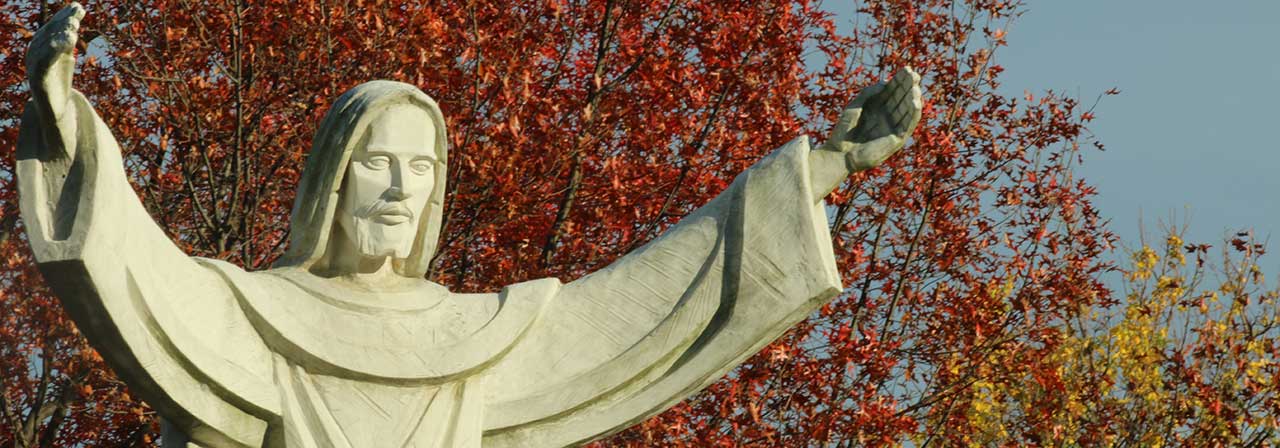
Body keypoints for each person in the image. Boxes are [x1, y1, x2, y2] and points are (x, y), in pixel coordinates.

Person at [18, 4, 922, 448]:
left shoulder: (486, 339)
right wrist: (65, 121)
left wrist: (826, 169)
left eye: (422, 169)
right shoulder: (241, 318)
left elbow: (655, 308)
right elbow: (130, 265)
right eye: (378, 162)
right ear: (333, 181)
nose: (400, 191)